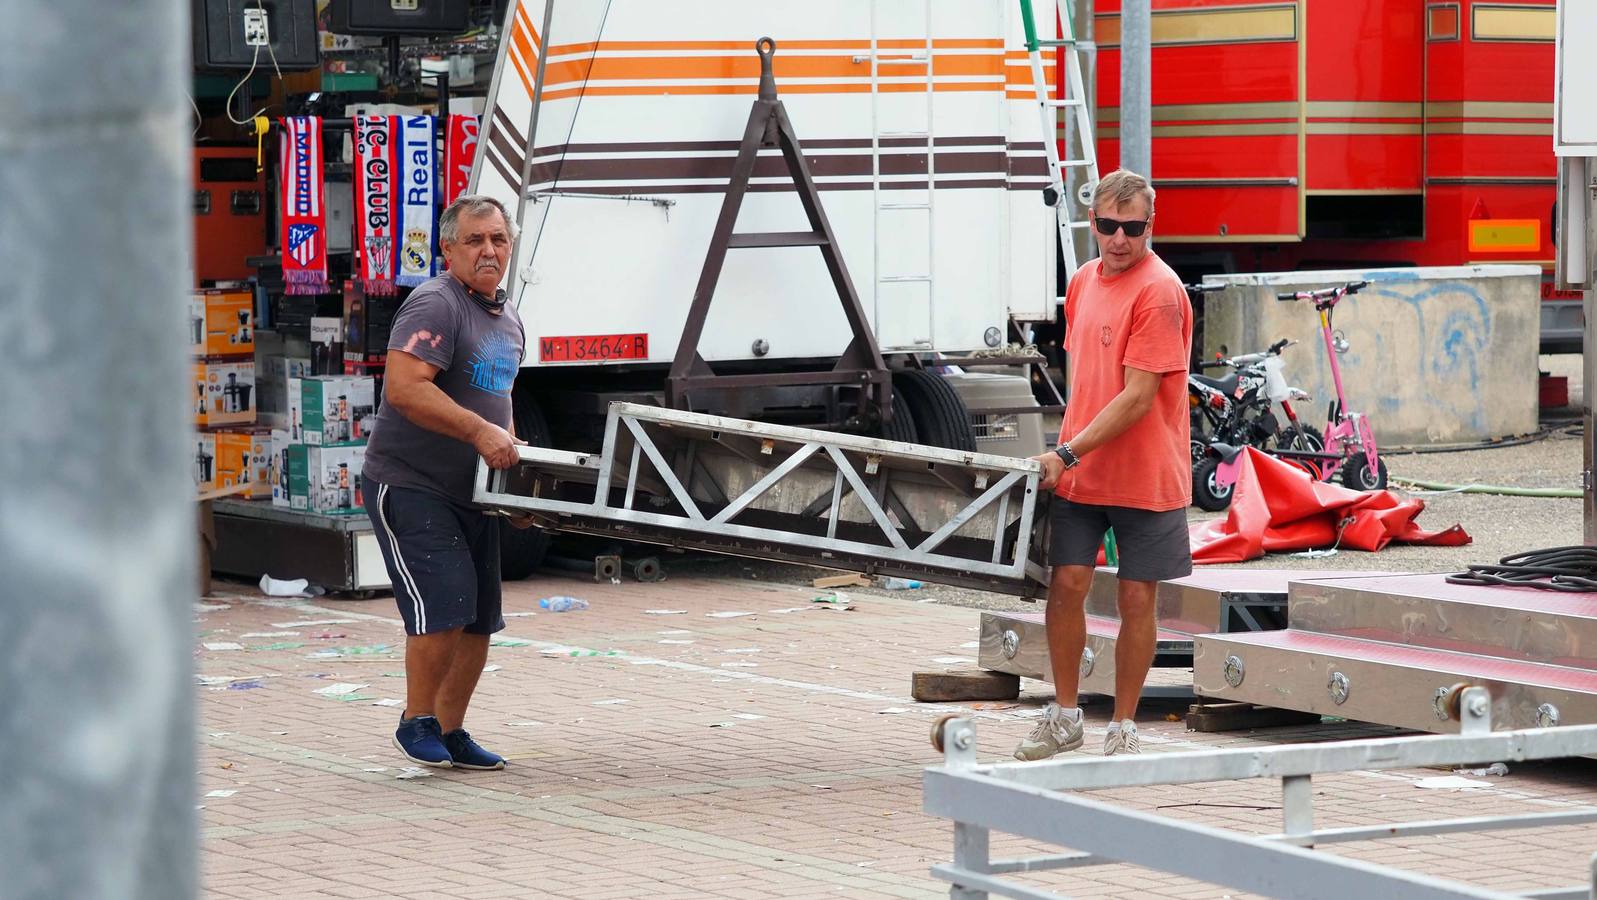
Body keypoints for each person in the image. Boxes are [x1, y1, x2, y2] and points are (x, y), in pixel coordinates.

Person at [1013, 169, 1194, 760]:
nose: (1119, 239)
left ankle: (1123, 725)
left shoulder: (1161, 292)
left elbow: (1139, 397)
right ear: (1091, 222)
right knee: (1064, 586)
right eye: (1108, 226)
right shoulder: (1085, 280)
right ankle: (1065, 716)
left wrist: (1064, 451)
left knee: (1137, 598)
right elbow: (1085, 380)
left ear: (1151, 225)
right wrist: (1065, 453)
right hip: (1082, 472)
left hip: (1144, 474)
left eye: (1133, 228)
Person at [363, 194, 536, 770]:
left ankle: (451, 728)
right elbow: (406, 389)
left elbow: (499, 403)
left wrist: (515, 483)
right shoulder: (434, 304)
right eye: (475, 240)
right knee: (447, 603)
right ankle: (416, 719)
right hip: (411, 483)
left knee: (480, 616)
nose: (489, 250)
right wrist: (481, 432)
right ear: (448, 249)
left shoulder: (508, 318)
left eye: (499, 239)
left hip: (476, 493)